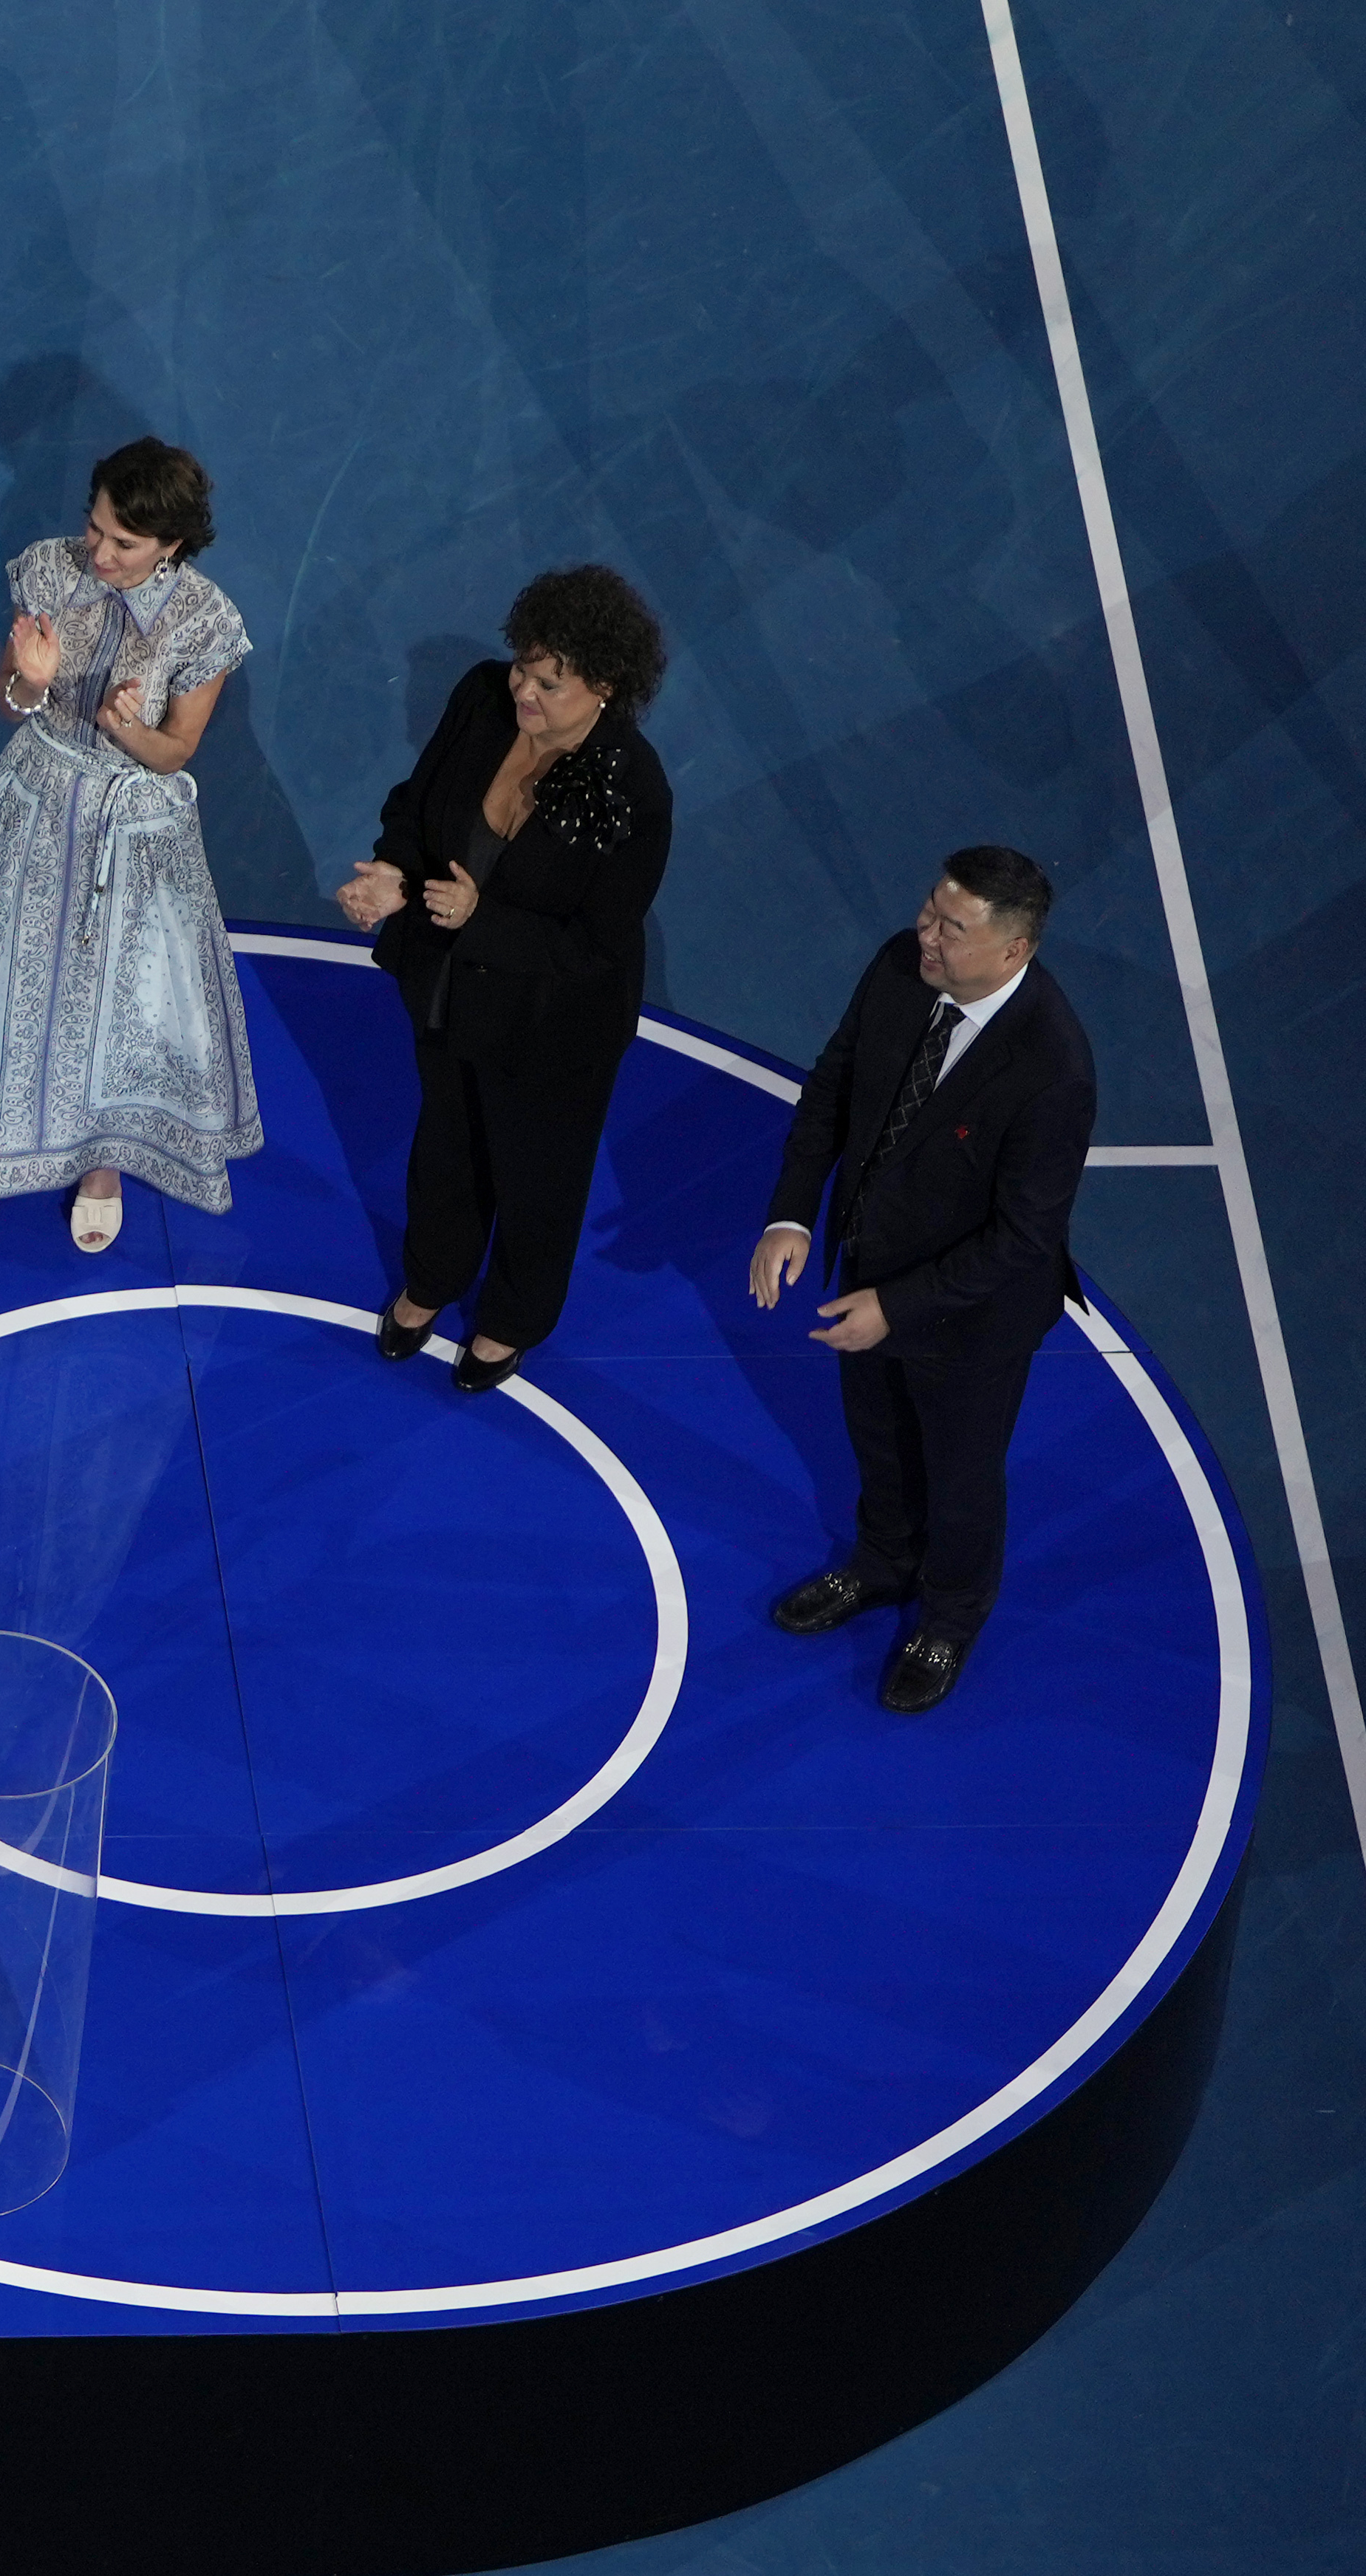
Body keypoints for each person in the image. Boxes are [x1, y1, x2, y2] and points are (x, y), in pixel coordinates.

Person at [0, 436, 260, 1251]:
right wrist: (29, 684)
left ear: (170, 546)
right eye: (96, 527)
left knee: (113, 1004)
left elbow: (177, 751)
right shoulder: (48, 570)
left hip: (135, 832)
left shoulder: (207, 620)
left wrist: (128, 732)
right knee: (11, 976)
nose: (98, 552)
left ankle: (98, 1164)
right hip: (36, 800)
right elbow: (5, 701)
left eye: (123, 543)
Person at [751, 850, 1096, 1715]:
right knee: (876, 1440)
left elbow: (1023, 1235)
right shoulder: (897, 969)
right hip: (866, 1269)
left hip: (971, 1321)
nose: (924, 934)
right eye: (927, 911)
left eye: (950, 927)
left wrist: (894, 1308)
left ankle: (948, 1616)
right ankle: (878, 1565)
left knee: (961, 1474)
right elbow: (832, 1086)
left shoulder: (1052, 1067)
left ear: (1011, 951)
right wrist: (791, 1214)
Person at [339, 567, 675, 1393]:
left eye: (547, 681)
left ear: (602, 685)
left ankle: (512, 1319)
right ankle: (431, 1277)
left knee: (537, 1175)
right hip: (449, 988)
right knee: (445, 1147)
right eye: (522, 667)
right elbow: (416, 803)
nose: (522, 689)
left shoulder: (632, 789)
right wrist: (392, 872)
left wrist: (477, 918)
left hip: (551, 1021)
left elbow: (596, 944)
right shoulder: (482, 697)